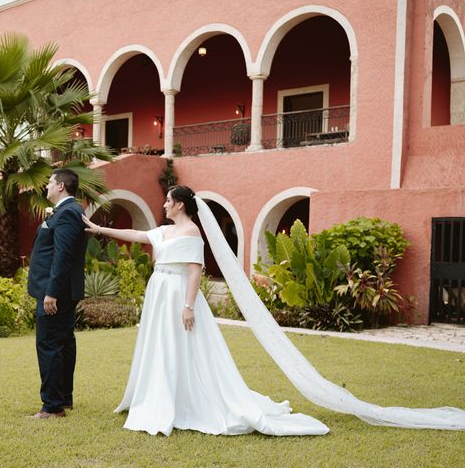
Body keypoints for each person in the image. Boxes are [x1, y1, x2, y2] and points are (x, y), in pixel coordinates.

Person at [82, 185, 330, 436]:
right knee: (160, 342)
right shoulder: (166, 230)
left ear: (180, 204)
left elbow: (194, 270)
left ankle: (184, 398)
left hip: (178, 295)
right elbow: (137, 235)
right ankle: (159, 393)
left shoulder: (191, 231)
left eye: (168, 200)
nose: (165, 204)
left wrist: (188, 307)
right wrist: (100, 229)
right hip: (160, 293)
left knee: (181, 344)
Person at [28, 168, 87, 419]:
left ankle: (52, 406)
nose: (47, 187)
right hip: (59, 290)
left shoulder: (67, 213)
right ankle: (63, 398)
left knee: (50, 344)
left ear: (61, 186)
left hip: (55, 292)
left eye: (50, 183)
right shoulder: (70, 211)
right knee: (63, 342)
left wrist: (51, 292)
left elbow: (63, 256)